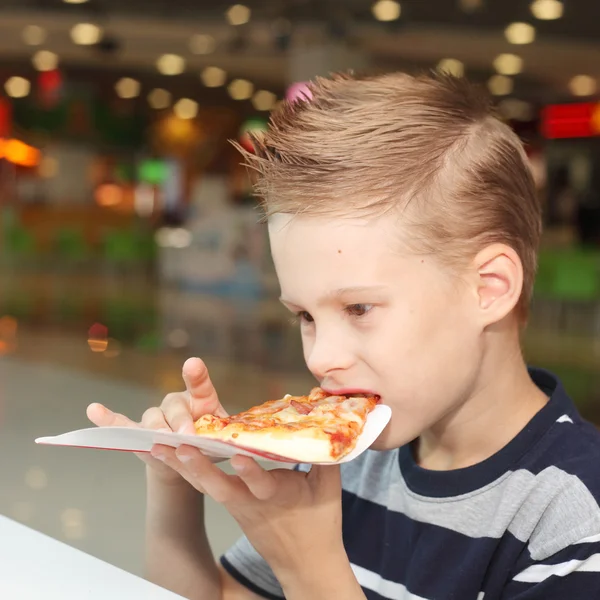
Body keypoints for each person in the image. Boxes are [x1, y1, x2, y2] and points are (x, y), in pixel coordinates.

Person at [87, 71, 600, 600]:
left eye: (359, 308)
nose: (321, 359)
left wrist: (312, 570)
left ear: (488, 288)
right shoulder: (350, 461)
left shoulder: (574, 522)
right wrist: (174, 480)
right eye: (305, 317)